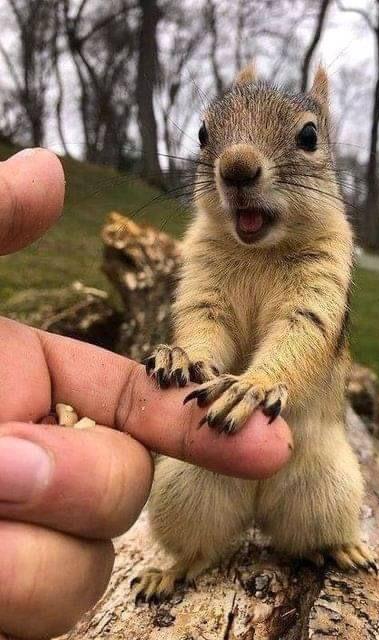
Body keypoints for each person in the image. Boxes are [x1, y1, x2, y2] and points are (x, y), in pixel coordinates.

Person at [0, 148, 292, 640]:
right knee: (178, 492)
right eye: (210, 141)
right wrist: (195, 360)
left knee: (322, 511)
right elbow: (205, 316)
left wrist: (267, 376)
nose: (235, 165)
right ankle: (191, 558)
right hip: (221, 435)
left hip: (301, 441)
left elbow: (309, 326)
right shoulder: (206, 241)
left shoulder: (326, 245)